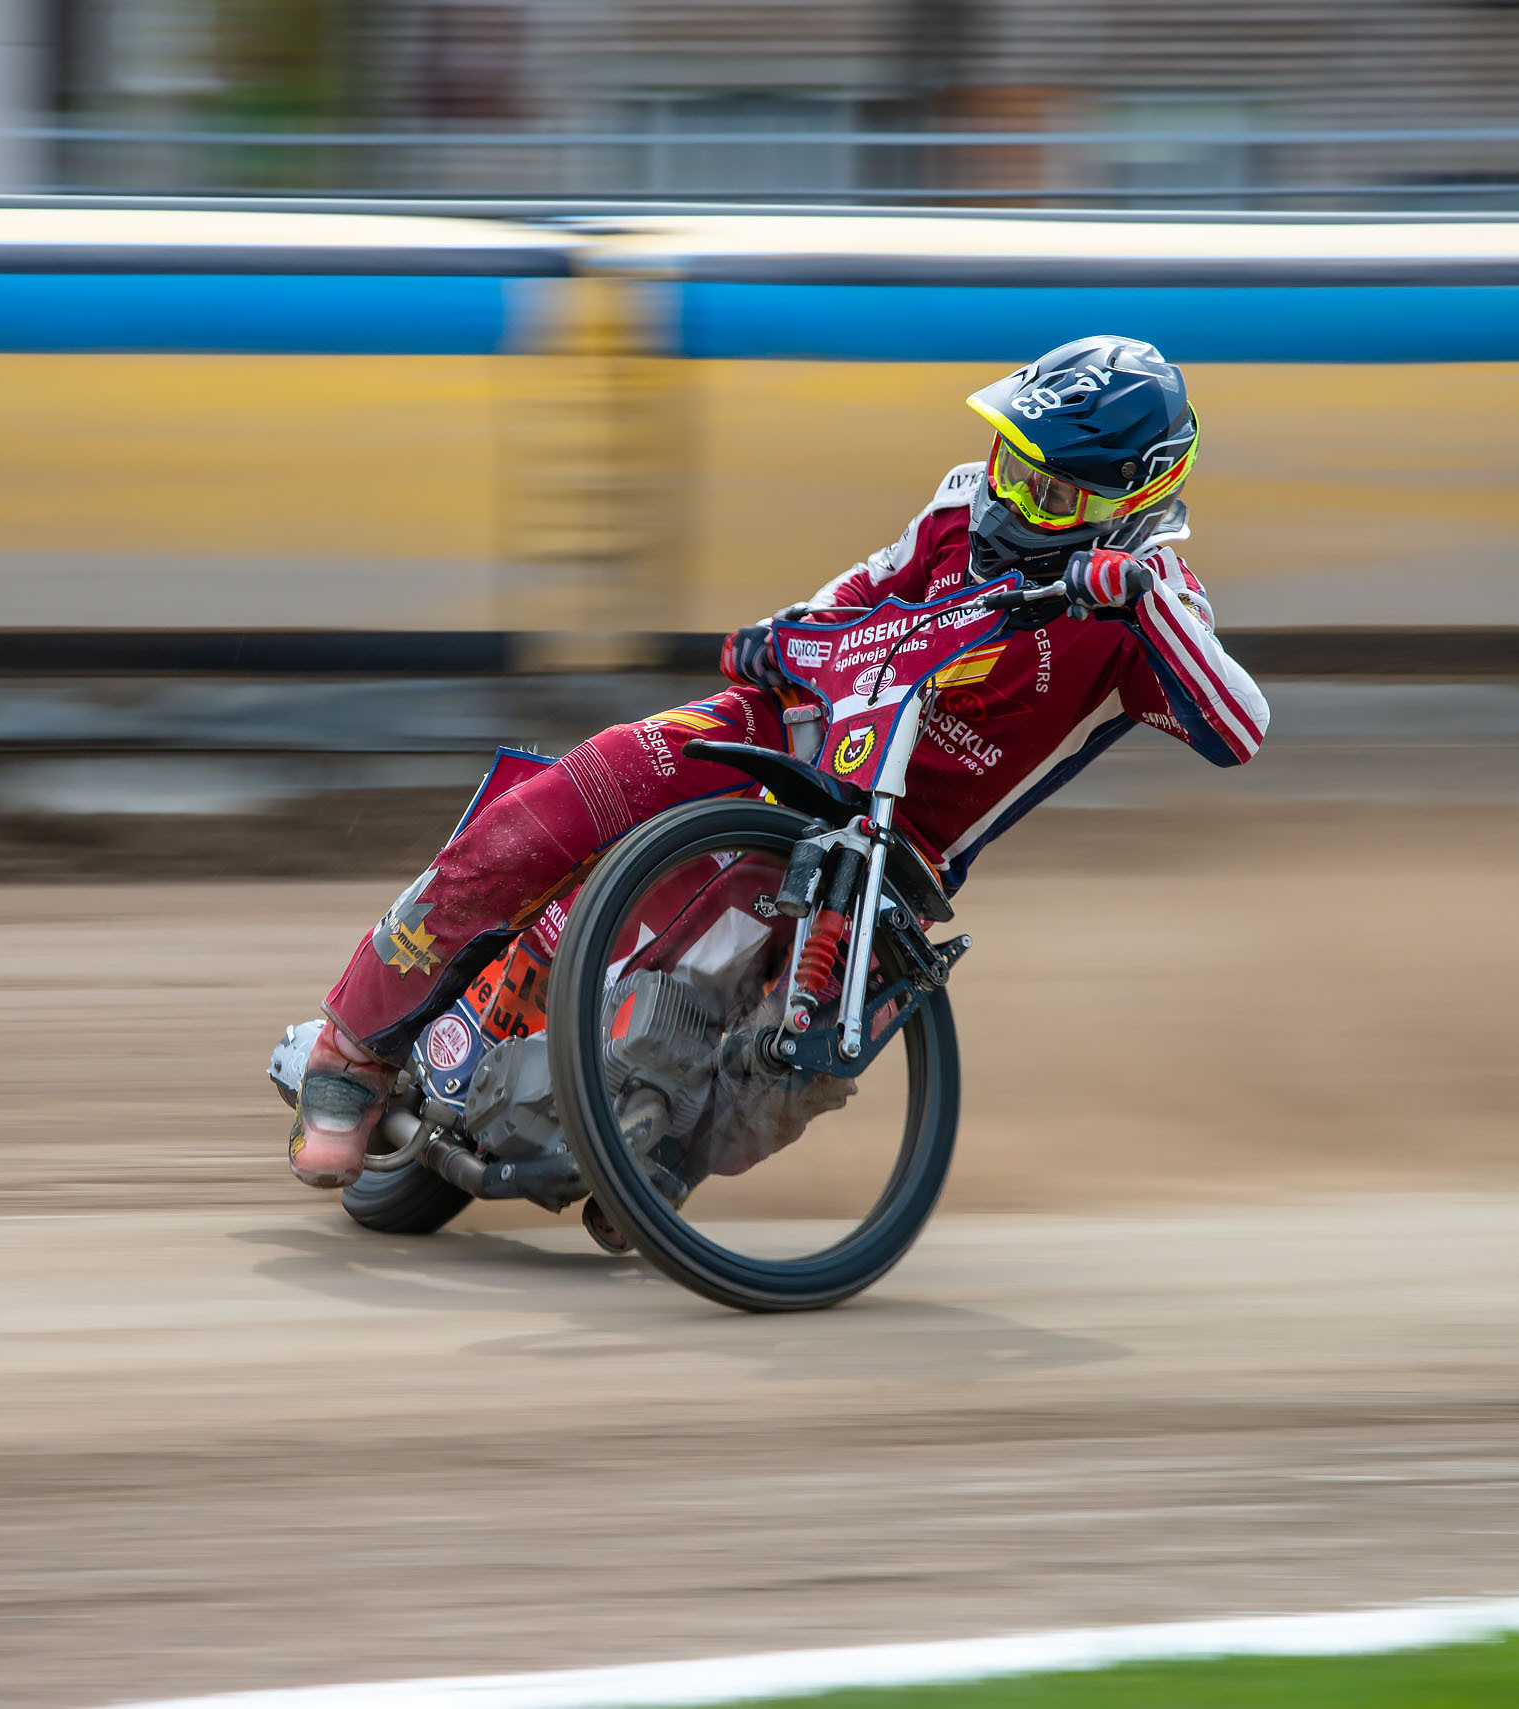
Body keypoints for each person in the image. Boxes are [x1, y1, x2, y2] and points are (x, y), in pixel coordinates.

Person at [277, 333, 1269, 1188]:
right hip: (787, 722)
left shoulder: (1156, 601)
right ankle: (350, 1049)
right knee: (552, 809)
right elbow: (849, 594)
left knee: (791, 1081)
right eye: (1008, 462)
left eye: (1046, 491)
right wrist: (780, 634)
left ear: (1137, 497)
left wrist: (1135, 591)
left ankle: (645, 1151)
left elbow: (1240, 726)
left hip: (898, 848)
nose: (1007, 499)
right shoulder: (962, 504)